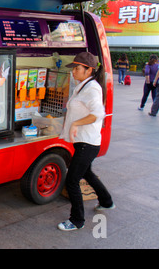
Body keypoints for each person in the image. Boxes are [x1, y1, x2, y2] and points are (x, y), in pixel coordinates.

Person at [58, 52, 114, 231]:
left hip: (87, 143)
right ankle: (106, 201)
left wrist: (75, 123)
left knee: (72, 180)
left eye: (77, 68)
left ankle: (77, 220)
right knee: (87, 173)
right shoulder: (83, 85)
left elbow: (98, 114)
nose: (73, 72)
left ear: (89, 70)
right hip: (84, 142)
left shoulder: (92, 88)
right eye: (73, 68)